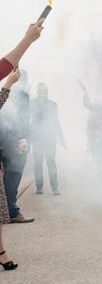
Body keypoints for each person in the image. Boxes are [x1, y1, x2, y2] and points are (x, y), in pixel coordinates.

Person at [0, 69, 33, 222]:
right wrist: (24, 138)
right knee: (13, 175)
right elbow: (23, 119)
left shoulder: (4, 90)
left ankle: (8, 211)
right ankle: (12, 212)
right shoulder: (22, 95)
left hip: (6, 138)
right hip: (13, 140)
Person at [31, 82, 66, 196]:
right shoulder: (32, 103)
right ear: (37, 91)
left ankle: (54, 187)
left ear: (47, 91)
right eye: (40, 90)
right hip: (37, 138)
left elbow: (56, 122)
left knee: (51, 162)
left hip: (50, 138)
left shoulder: (53, 105)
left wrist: (62, 139)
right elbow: (27, 120)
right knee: (38, 163)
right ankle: (39, 186)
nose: (43, 92)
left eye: (45, 90)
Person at [79, 82, 102, 171]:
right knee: (101, 161)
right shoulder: (100, 107)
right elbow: (87, 104)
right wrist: (85, 92)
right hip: (101, 138)